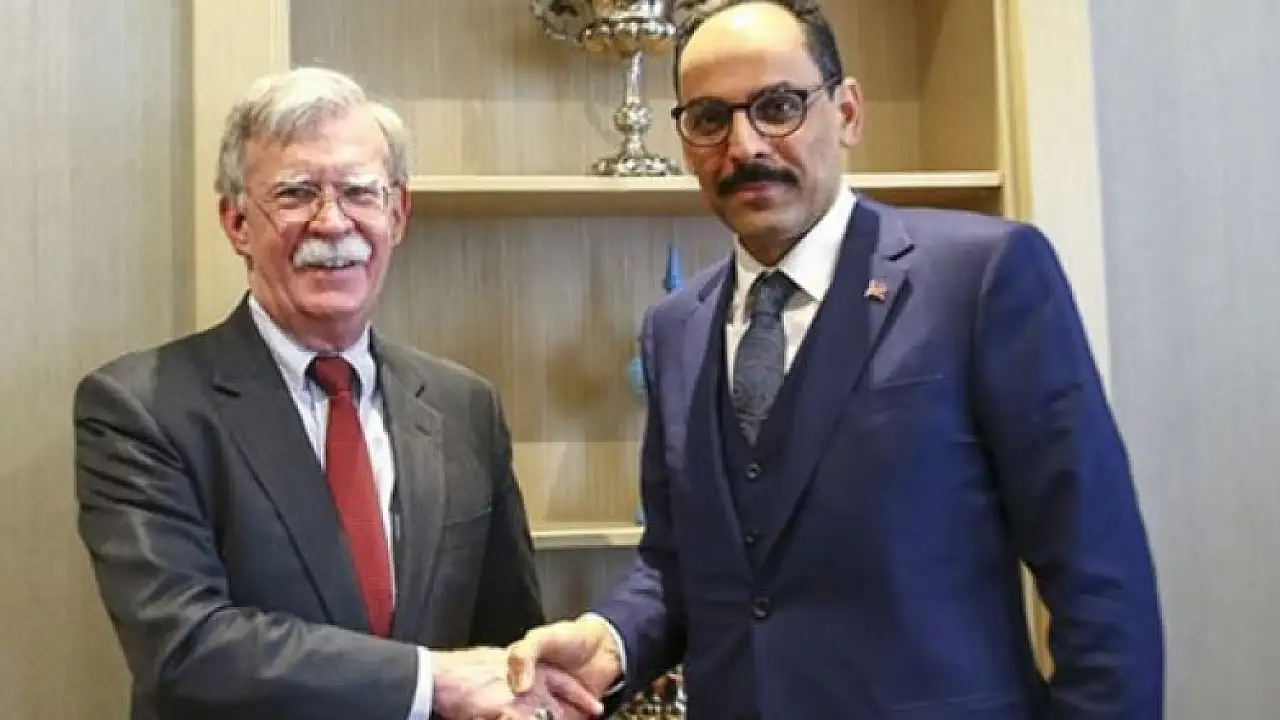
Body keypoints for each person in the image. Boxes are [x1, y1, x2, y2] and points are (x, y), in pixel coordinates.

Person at [506, 1, 1165, 717]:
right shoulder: (675, 328)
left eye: (778, 107)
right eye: (709, 118)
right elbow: (675, 563)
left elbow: (1098, 568)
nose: (744, 146)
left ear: (847, 112)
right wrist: (610, 641)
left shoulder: (981, 277)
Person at [72, 67, 600, 720]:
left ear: (397, 215)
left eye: (359, 192)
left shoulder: (465, 407)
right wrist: (428, 681)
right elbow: (183, 645)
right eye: (296, 193)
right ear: (236, 222)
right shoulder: (141, 408)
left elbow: (505, 642)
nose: (331, 222)